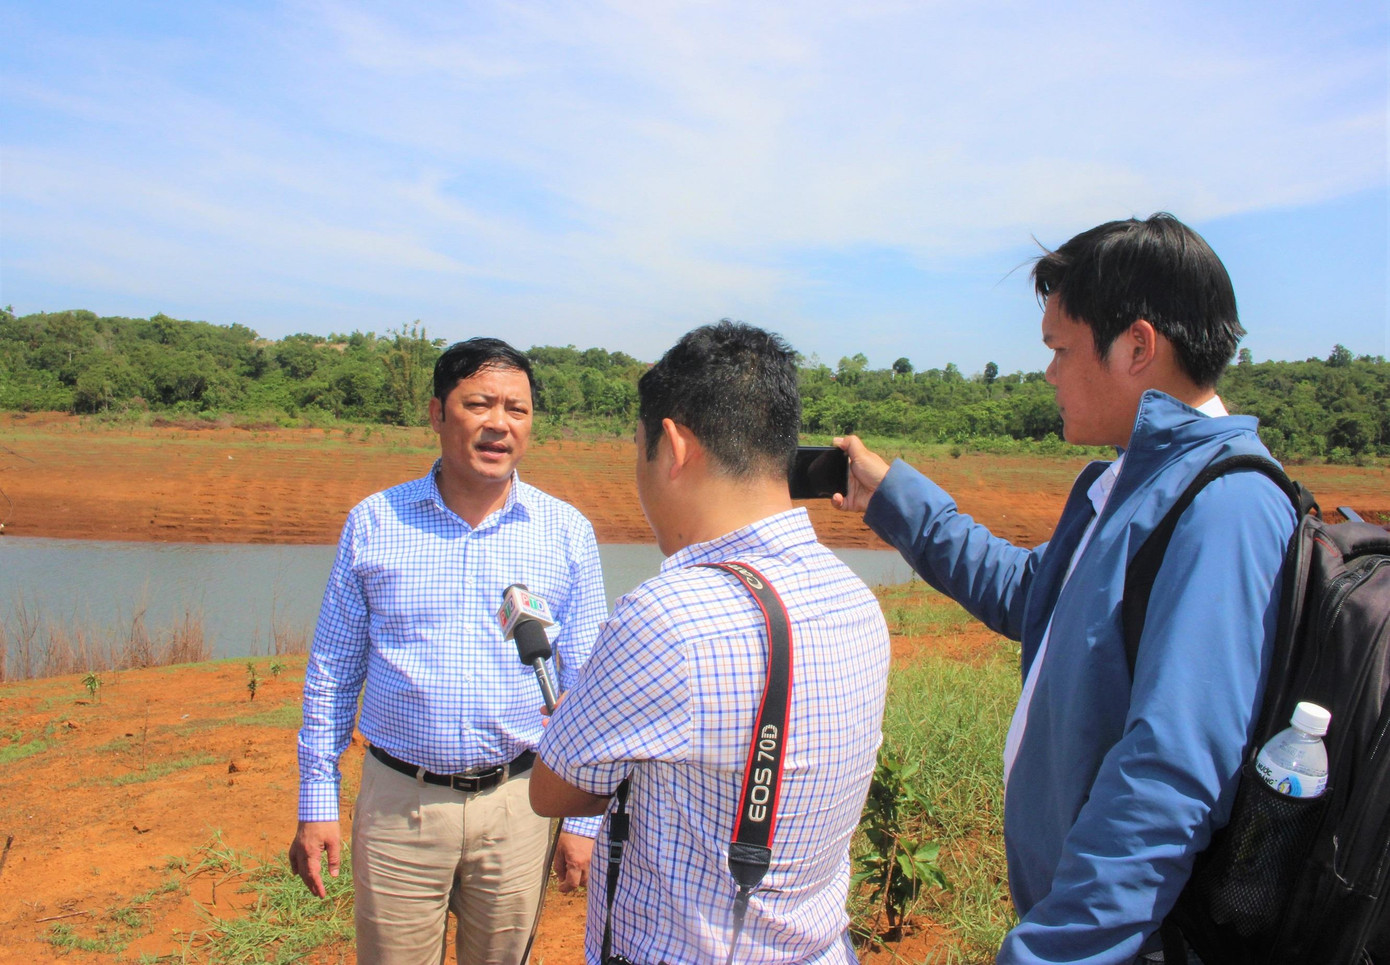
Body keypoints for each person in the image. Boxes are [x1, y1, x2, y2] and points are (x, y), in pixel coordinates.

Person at [833, 214, 1298, 964]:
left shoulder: (1227, 506)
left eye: (1060, 349)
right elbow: (1033, 595)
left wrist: (1050, 953)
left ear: (1138, 346)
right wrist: (895, 498)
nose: (1047, 372)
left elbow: (1169, 776)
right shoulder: (1130, 481)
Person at [530, 320, 892, 964]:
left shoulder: (666, 617)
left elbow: (553, 791)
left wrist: (589, 721)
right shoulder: (856, 600)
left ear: (673, 445)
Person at [288, 337, 607, 965]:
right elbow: (333, 671)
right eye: (479, 404)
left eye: (517, 409)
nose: (499, 424)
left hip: (522, 802)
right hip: (399, 805)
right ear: (437, 413)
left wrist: (583, 821)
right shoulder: (376, 522)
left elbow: (589, 682)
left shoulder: (565, 531)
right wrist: (315, 802)